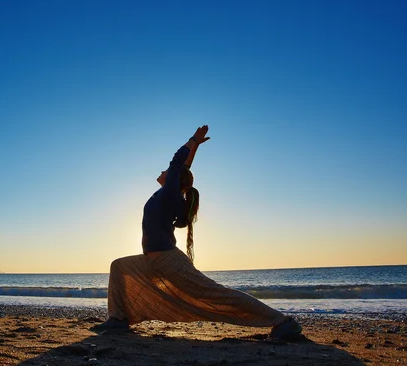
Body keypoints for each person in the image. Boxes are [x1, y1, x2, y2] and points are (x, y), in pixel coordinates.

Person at [93, 125, 302, 340]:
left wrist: (192, 140)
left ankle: (283, 322)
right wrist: (195, 148)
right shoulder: (167, 193)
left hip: (167, 260)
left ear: (175, 179)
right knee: (119, 266)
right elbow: (182, 166)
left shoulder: (170, 194)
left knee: (216, 294)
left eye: (167, 171)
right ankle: (118, 320)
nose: (162, 171)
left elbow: (177, 164)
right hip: (151, 260)